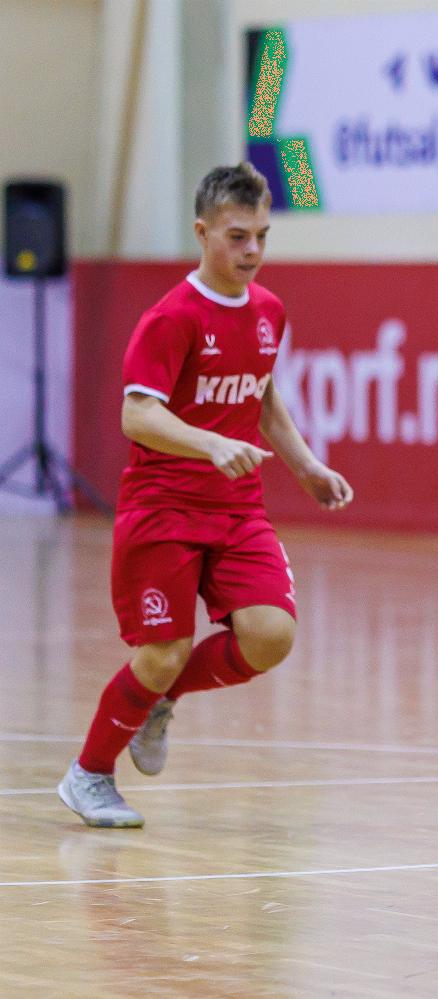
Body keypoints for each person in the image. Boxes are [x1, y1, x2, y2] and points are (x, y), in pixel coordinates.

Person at [57, 163, 354, 828]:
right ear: (202, 233)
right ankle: (89, 774)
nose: (252, 250)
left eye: (262, 237)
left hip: (238, 509)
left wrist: (306, 465)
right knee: (161, 651)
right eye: (237, 236)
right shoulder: (172, 317)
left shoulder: (269, 311)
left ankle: (159, 700)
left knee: (271, 636)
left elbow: (262, 395)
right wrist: (208, 443)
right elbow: (138, 414)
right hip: (163, 507)